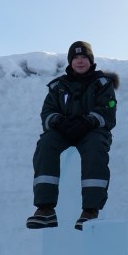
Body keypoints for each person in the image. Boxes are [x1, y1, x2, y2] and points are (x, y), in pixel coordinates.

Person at [26, 40, 119, 230]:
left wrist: (87, 122)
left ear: (91, 60)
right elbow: (47, 112)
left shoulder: (102, 83)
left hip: (92, 132)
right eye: (75, 57)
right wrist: (59, 122)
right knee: (46, 143)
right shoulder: (57, 86)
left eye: (84, 56)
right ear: (70, 61)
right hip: (64, 131)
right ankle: (45, 210)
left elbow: (107, 112)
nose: (80, 61)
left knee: (95, 148)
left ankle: (90, 211)